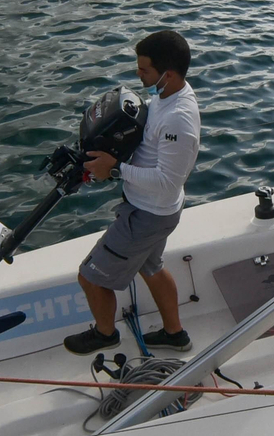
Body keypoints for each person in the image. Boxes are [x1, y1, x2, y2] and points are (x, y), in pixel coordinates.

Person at [64, 30, 202, 355]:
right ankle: (175, 334)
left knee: (90, 277)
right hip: (156, 210)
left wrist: (114, 169)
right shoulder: (166, 96)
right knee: (151, 267)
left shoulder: (179, 120)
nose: (138, 74)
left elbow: (169, 180)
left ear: (166, 74)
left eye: (144, 70)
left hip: (148, 215)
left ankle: (105, 333)